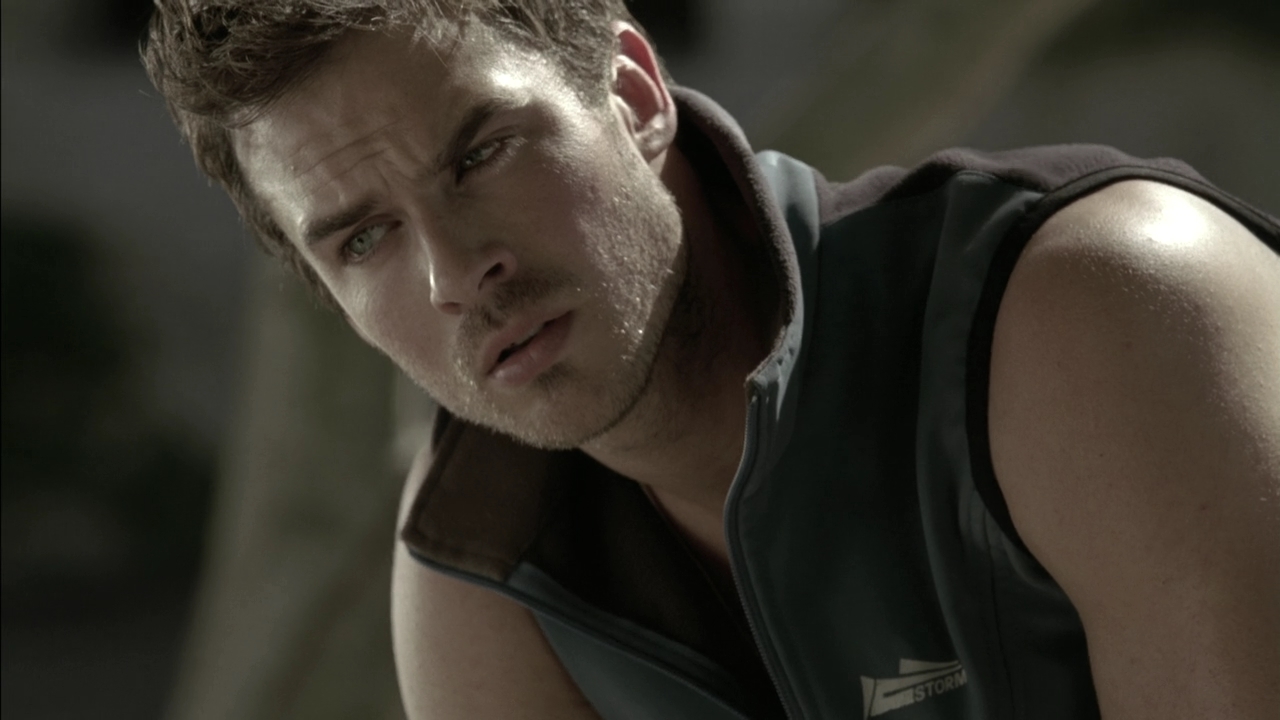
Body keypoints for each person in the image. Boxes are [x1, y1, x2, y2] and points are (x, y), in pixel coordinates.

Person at [142, 2, 1280, 718]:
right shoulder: (480, 543)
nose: (454, 272)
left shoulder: (1091, 302)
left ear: (633, 95)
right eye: (363, 239)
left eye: (481, 153)